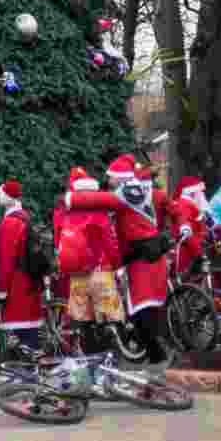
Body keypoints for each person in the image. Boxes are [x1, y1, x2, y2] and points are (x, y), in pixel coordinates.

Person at [71, 154, 170, 372]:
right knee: (130, 315)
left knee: (135, 313)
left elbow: (104, 202)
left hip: (132, 261)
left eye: (112, 176)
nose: (109, 179)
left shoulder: (125, 192)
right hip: (127, 263)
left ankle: (153, 360)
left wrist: (71, 200)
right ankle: (140, 360)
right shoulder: (134, 190)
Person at [57, 167, 123, 353]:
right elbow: (110, 244)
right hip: (101, 272)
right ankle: (108, 363)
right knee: (109, 321)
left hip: (78, 273)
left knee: (83, 323)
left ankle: (89, 365)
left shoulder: (68, 213)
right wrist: (118, 264)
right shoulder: (100, 215)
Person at [0, 179, 43, 352]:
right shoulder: (26, 217)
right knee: (31, 325)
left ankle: (25, 366)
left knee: (21, 325)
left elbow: (6, 260)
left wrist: (1, 290)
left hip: (17, 281)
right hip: (31, 279)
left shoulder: (9, 223)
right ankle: (32, 362)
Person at [167, 177, 208, 277]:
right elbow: (186, 233)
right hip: (186, 254)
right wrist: (199, 253)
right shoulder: (184, 205)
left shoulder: (189, 204)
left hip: (191, 251)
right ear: (193, 192)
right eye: (200, 192)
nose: (202, 196)